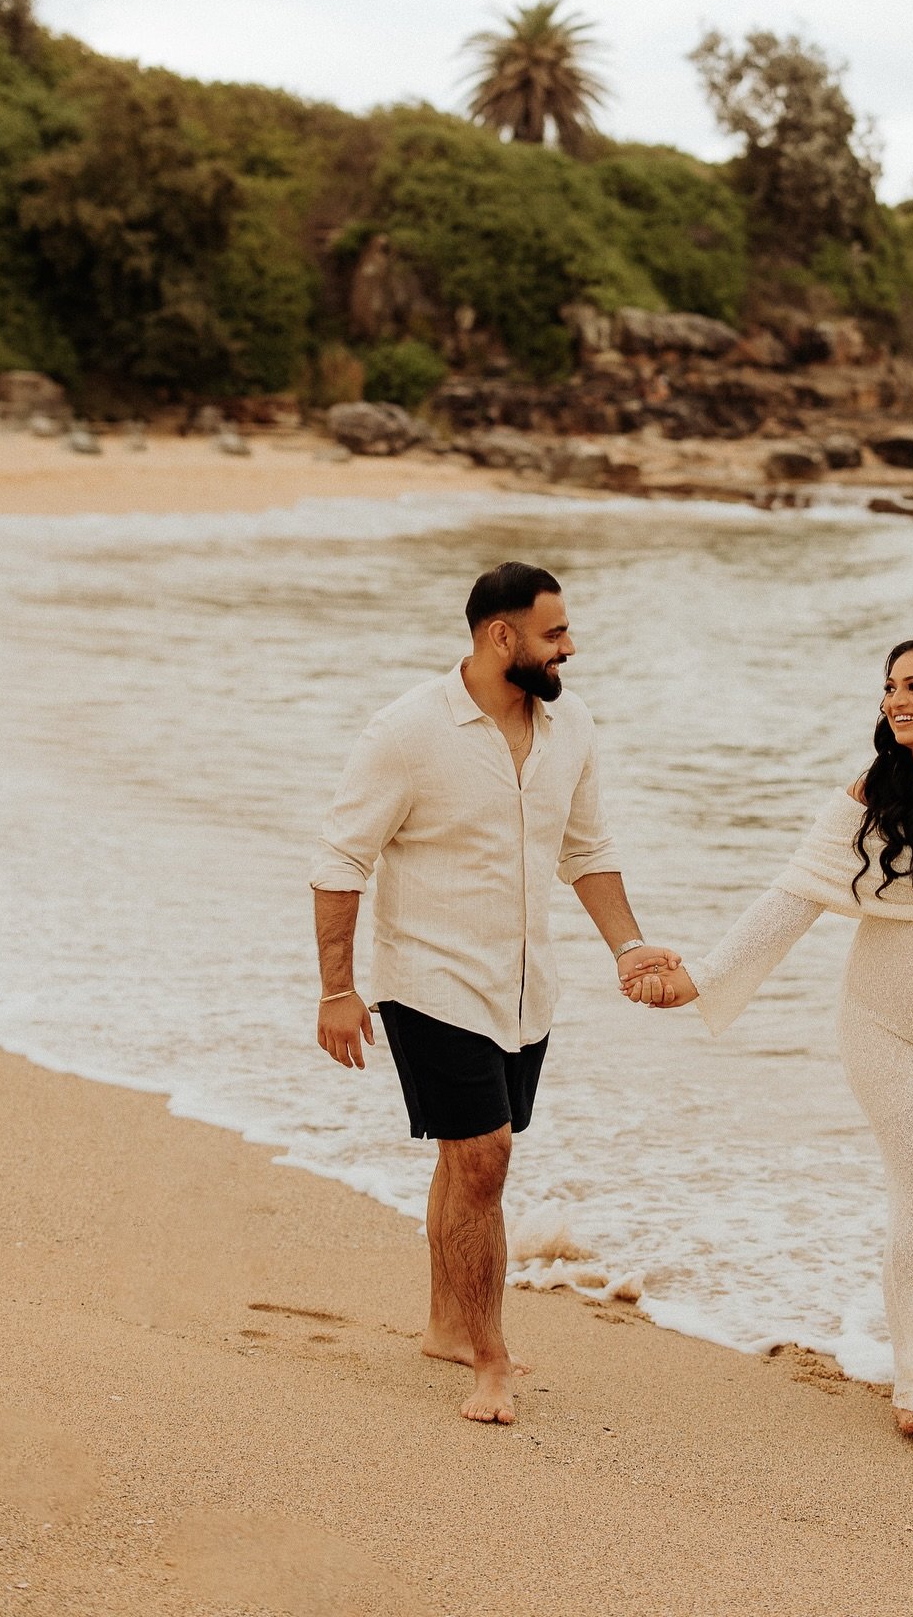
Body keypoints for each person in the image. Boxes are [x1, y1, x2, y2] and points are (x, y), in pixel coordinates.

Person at [622, 635, 913, 1443]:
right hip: (886, 1030)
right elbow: (792, 896)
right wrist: (705, 978)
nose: (896, 700)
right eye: (890, 687)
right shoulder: (876, 791)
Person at [311, 561, 679, 1427]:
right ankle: (491, 1360)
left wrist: (626, 946)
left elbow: (586, 849)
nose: (570, 647)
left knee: (462, 1159)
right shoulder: (407, 732)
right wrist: (338, 989)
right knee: (485, 1158)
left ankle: (446, 1324)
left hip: (524, 990)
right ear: (499, 636)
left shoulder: (570, 723)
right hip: (429, 981)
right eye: (554, 634)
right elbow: (341, 860)